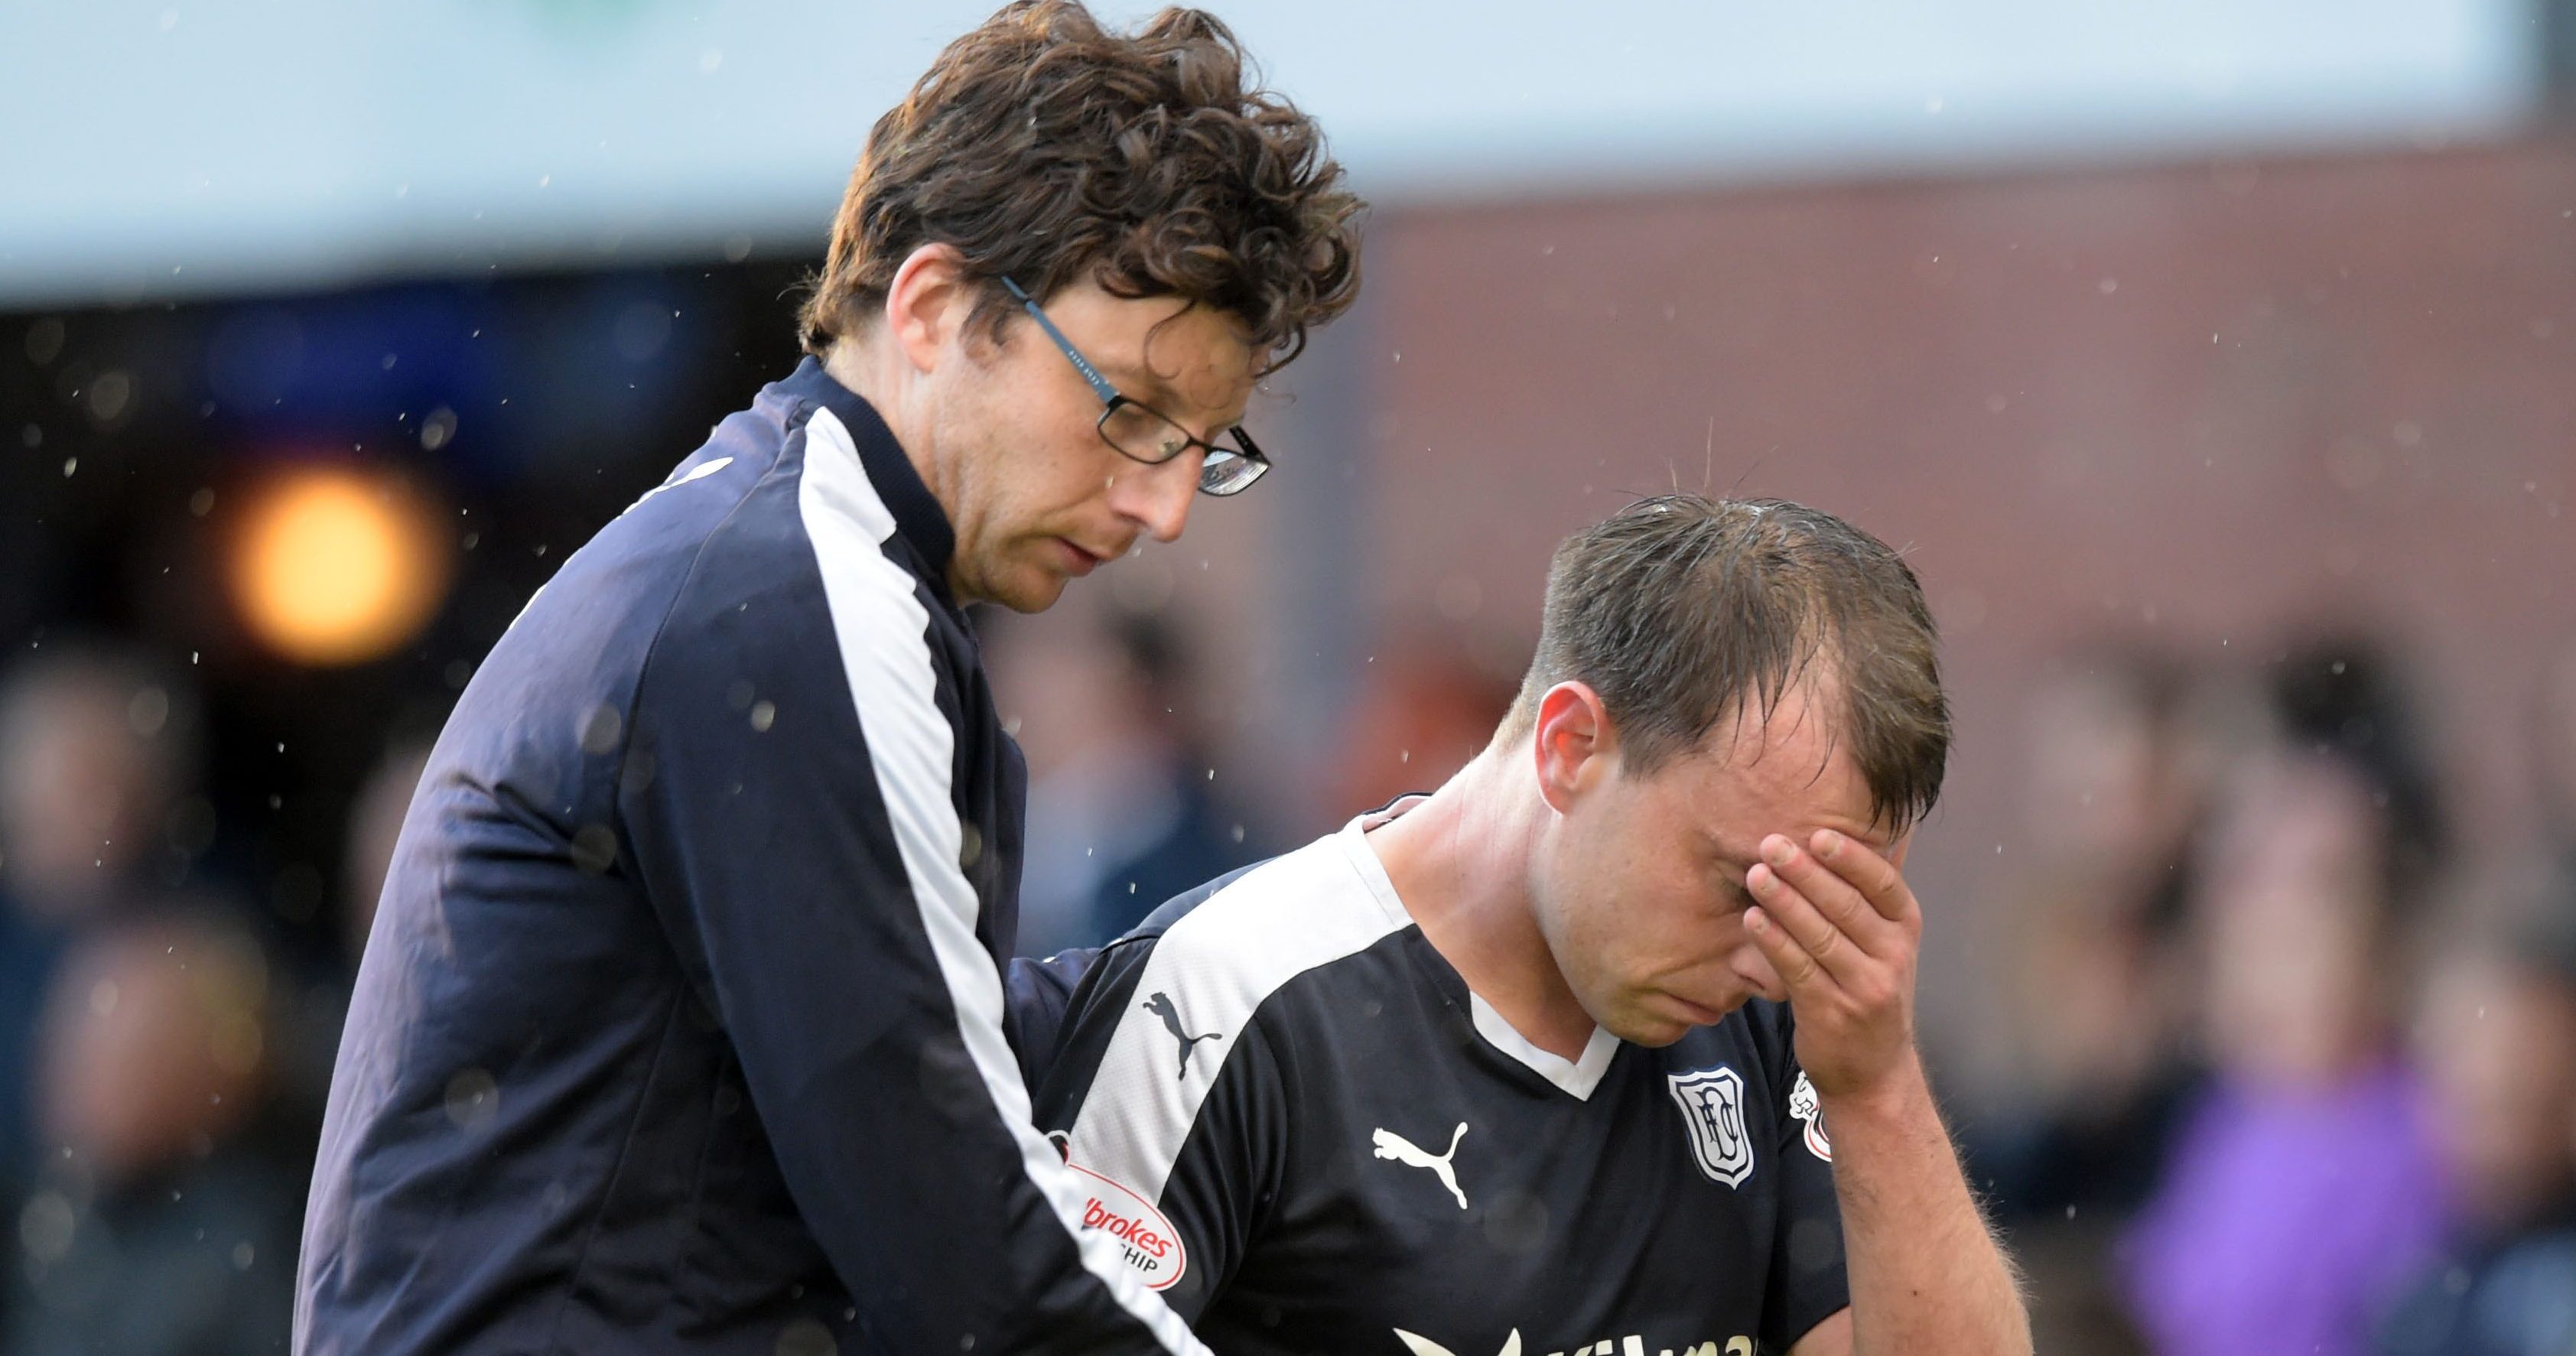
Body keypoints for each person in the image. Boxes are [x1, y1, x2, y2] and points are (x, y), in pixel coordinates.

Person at [294, 3, 1362, 1351]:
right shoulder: (793, 602)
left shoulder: (797, 562)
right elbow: (965, 1243)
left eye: (1202, 448)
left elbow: (936, 1105)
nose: (1164, 511)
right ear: (931, 308)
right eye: (1130, 410)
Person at [1033, 496, 2031, 1356]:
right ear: (1570, 746)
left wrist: (1877, 1085)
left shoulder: (1791, 1016)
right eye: (1739, 884)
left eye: (1820, 908)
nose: (1773, 958)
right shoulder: (1223, 999)